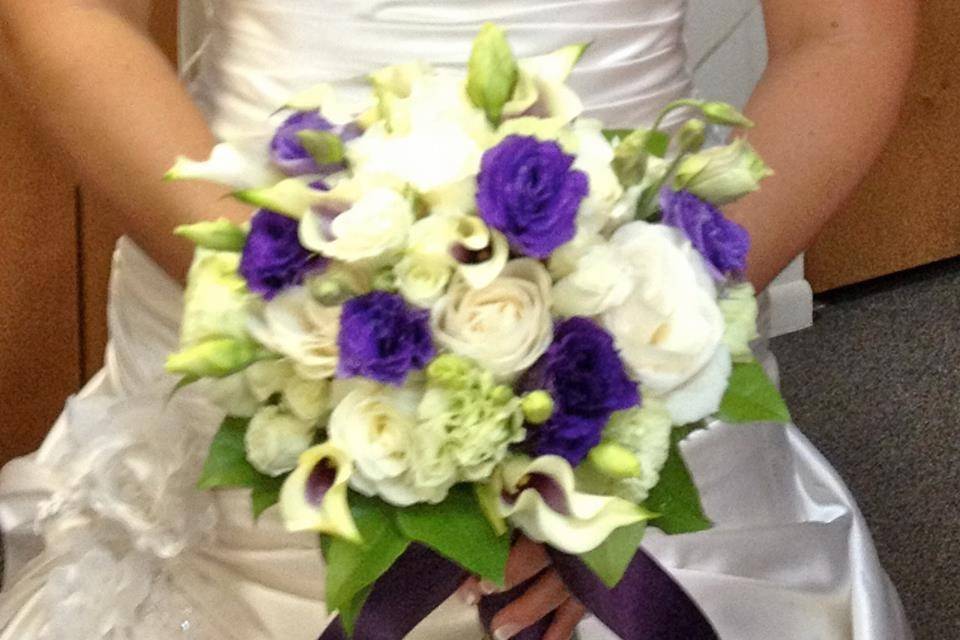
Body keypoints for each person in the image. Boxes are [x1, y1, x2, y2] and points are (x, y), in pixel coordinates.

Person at [0, 1, 917, 639]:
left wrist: (636, 343)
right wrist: (294, 317)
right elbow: (65, 15)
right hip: (249, 291)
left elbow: (841, 33)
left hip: (624, 302)